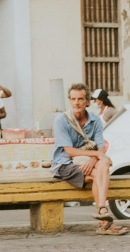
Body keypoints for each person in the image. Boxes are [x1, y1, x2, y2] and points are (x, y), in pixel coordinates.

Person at [52, 83, 126, 236]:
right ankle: (104, 219)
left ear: (87, 101)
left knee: (103, 163)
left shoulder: (95, 121)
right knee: (97, 172)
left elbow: (100, 147)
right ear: (70, 101)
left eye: (80, 99)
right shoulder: (61, 120)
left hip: (88, 162)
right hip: (65, 164)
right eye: (73, 99)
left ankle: (101, 210)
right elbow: (69, 151)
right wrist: (96, 156)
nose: (76, 103)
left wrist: (93, 159)